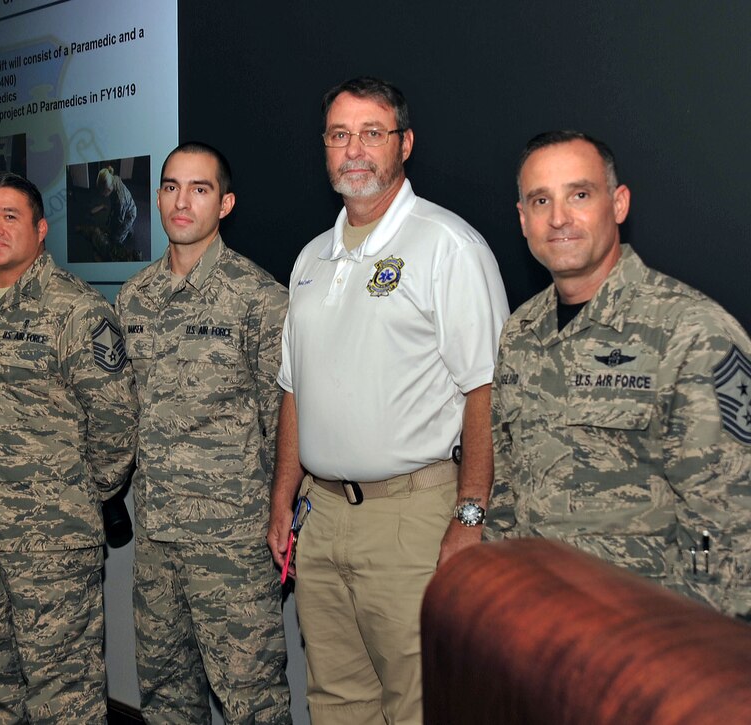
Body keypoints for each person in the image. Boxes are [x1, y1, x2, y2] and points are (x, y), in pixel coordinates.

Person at [267, 77, 509, 724]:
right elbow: (295, 386)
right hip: (321, 520)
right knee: (337, 698)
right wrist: (281, 497)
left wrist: (471, 515)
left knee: (422, 700)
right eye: (339, 134)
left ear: (404, 143)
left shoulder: (446, 245)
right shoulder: (312, 257)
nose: (354, 150)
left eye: (371, 133)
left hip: (413, 518)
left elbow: (484, 388)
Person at [488, 130, 751, 618]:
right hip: (533, 623)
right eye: (541, 200)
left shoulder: (691, 331)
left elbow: (731, 522)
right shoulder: (520, 332)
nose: (560, 218)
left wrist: (687, 653)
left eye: (580, 195)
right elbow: (506, 490)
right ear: (523, 219)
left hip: (642, 638)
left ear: (619, 203)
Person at [0, 171, 138, 723]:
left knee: (65, 693)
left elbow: (116, 422)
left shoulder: (76, 311)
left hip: (50, 543)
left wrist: (82, 493)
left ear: (41, 229)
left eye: (10, 217)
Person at [116, 143, 291, 723]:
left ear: (226, 203)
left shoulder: (259, 298)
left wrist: (281, 514)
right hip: (158, 535)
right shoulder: (134, 297)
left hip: (231, 543)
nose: (181, 201)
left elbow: (283, 419)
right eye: (170, 186)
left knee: (253, 702)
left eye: (199, 188)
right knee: (166, 698)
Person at [95, 165, 137, 248]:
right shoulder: (113, 178)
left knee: (116, 237)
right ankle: (128, 229)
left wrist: (112, 232)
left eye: (103, 194)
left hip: (129, 213)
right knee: (116, 220)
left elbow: (119, 221)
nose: (102, 196)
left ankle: (127, 232)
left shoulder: (120, 201)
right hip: (125, 206)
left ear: (109, 190)